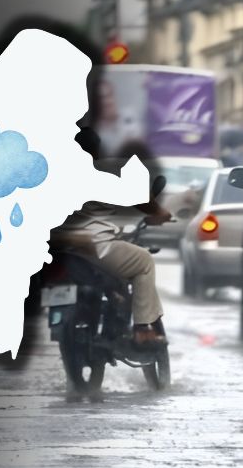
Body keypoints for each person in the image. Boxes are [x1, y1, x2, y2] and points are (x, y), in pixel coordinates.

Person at [53, 128, 172, 345]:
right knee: (144, 261)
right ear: (95, 151)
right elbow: (141, 199)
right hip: (91, 245)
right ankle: (142, 329)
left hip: (56, 246)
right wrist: (161, 213)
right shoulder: (98, 173)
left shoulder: (51, 174)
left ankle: (111, 303)